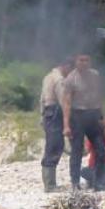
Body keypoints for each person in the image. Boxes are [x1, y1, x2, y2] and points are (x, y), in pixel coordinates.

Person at [63, 52, 105, 190]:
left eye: (86, 60)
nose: (84, 63)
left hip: (94, 114)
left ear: (90, 61)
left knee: (101, 150)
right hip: (78, 115)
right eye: (81, 60)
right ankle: (75, 182)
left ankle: (98, 181)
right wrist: (66, 125)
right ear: (76, 61)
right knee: (77, 150)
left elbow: (99, 96)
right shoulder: (71, 79)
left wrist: (102, 117)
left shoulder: (95, 75)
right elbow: (67, 103)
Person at [38, 61, 72, 193]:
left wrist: (42, 116)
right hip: (55, 114)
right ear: (65, 66)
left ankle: (49, 183)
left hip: (48, 114)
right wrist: (67, 123)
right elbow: (64, 103)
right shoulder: (59, 80)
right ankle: (50, 185)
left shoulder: (48, 76)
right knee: (54, 147)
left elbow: (42, 99)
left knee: (52, 146)